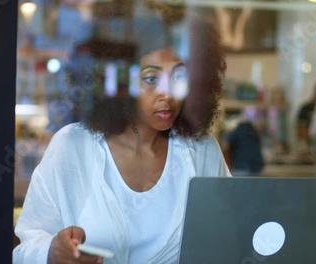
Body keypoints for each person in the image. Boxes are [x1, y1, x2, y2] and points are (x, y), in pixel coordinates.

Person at [13, 12, 231, 264]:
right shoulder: (71, 147)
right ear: (119, 81)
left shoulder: (202, 151)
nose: (167, 94)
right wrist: (51, 252)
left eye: (179, 77)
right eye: (151, 78)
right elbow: (23, 251)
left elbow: (228, 241)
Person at [224, 106, 264, 176]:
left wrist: (229, 166)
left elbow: (228, 149)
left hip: (240, 168)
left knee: (240, 186)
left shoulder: (237, 132)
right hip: (255, 169)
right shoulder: (254, 133)